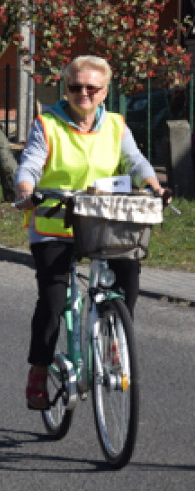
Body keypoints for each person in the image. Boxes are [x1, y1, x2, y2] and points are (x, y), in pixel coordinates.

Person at [13, 55, 170, 411]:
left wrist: (152, 184)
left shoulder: (115, 125)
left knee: (128, 275)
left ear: (104, 92)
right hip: (55, 221)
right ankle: (39, 370)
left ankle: (115, 335)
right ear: (65, 89)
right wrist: (25, 188)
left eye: (91, 88)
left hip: (102, 221)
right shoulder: (48, 124)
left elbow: (135, 161)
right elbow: (31, 163)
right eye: (75, 87)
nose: (83, 93)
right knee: (53, 302)